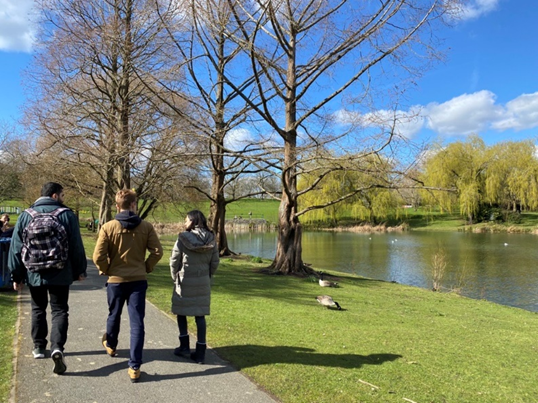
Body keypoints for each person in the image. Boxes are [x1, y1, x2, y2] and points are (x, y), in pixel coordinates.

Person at [8, 182, 87, 375]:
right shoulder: (67, 215)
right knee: (59, 310)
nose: (63, 198)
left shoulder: (26, 216)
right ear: (54, 196)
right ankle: (57, 347)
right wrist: (79, 270)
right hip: (61, 271)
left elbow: (16, 248)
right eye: (62, 195)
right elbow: (76, 246)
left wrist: (16, 275)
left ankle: (38, 347)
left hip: (34, 273)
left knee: (38, 308)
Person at [93, 189, 163, 383]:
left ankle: (112, 345)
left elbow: (97, 256)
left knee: (113, 314)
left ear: (117, 206)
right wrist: (146, 267)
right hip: (138, 281)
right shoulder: (146, 227)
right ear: (134, 205)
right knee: (137, 322)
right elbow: (157, 252)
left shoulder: (108, 227)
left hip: (116, 280)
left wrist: (106, 269)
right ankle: (135, 366)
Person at [170, 210, 219, 364]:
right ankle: (200, 352)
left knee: (181, 312)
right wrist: (207, 275)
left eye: (186, 220)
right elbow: (215, 262)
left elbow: (174, 260)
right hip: (203, 280)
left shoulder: (183, 239)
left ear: (192, 221)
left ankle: (184, 346)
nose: (184, 223)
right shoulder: (211, 238)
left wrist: (174, 276)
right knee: (200, 315)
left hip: (184, 280)